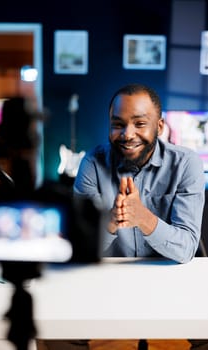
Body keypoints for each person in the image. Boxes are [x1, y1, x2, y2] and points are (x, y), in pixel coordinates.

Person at [72, 83, 207, 350]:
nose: (127, 134)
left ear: (159, 127)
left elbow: (186, 247)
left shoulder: (187, 163)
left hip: (173, 284)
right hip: (109, 286)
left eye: (139, 123)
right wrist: (112, 220)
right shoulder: (92, 164)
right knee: (54, 333)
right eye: (118, 124)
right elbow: (80, 249)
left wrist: (142, 217)